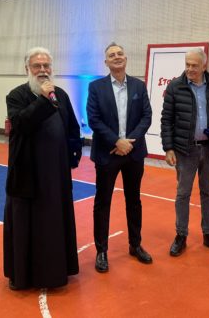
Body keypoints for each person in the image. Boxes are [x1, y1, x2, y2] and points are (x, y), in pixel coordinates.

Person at [3, 47, 82, 290]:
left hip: (55, 174)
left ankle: (56, 272)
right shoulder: (16, 95)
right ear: (27, 69)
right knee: (26, 224)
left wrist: (72, 156)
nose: (43, 70)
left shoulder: (61, 95)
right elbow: (21, 123)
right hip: (27, 174)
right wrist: (43, 100)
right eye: (37, 66)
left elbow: (72, 128)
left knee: (53, 225)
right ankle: (23, 275)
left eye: (46, 66)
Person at [161, 48, 209, 256]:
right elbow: (166, 120)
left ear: (204, 65)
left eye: (194, 65)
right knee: (183, 193)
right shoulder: (175, 86)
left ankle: (208, 233)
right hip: (184, 150)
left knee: (208, 192)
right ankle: (181, 235)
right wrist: (168, 148)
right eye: (187, 64)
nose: (190, 69)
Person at [87, 43, 153, 273]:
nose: (116, 57)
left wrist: (128, 143)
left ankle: (135, 245)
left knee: (134, 200)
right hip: (107, 153)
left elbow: (146, 116)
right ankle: (101, 251)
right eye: (111, 55)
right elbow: (94, 119)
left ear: (126, 58)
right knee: (102, 202)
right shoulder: (96, 87)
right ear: (106, 62)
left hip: (133, 153)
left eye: (119, 54)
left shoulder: (139, 86)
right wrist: (117, 141)